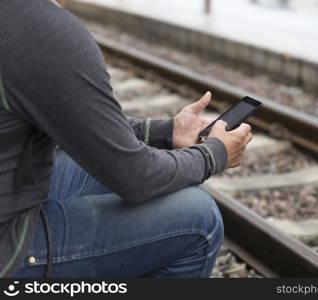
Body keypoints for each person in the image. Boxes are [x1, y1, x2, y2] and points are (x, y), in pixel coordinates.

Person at [0, 0, 252, 278]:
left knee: (90, 161)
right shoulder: (45, 33)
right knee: (199, 218)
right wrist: (213, 155)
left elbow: (81, 123)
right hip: (6, 247)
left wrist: (164, 132)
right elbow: (137, 178)